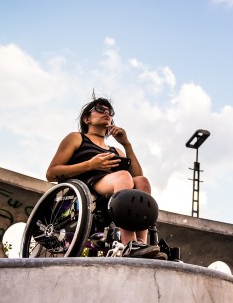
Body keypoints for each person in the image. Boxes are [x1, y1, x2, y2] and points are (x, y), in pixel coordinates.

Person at [46, 96, 162, 259]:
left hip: (117, 190)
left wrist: (126, 144)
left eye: (110, 111)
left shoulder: (116, 151)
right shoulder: (77, 138)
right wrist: (90, 165)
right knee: (124, 177)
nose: (106, 112)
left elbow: (138, 177)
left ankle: (140, 244)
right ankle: (129, 244)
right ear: (87, 118)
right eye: (100, 109)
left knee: (142, 182)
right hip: (88, 186)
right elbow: (51, 173)